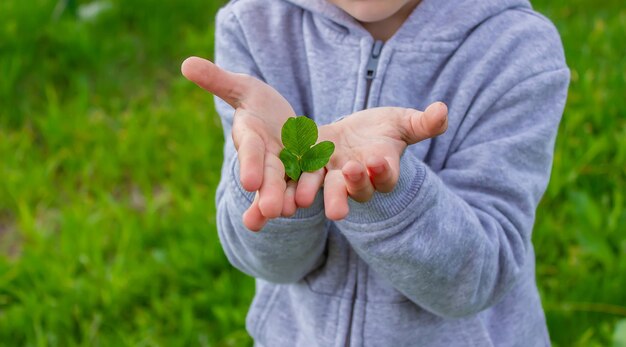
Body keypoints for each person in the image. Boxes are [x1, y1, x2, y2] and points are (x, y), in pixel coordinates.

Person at [181, 0, 569, 345]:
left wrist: (391, 194)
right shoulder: (254, 24)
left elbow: (476, 279)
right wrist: (282, 184)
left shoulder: (516, 48)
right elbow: (265, 263)